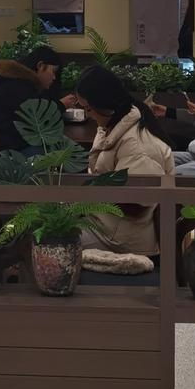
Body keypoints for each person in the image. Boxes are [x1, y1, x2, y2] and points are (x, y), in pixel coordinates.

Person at [74, 66, 174, 255]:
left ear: (104, 104)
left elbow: (137, 204)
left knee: (48, 242)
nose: (87, 114)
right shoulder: (113, 125)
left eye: (88, 108)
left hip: (120, 238)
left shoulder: (137, 146)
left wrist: (88, 195)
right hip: (104, 223)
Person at [0, 45, 65, 152]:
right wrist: (62, 105)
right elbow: (40, 123)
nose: (54, 77)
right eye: (53, 71)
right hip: (10, 152)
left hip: (4, 145)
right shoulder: (22, 87)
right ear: (40, 66)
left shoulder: (17, 83)